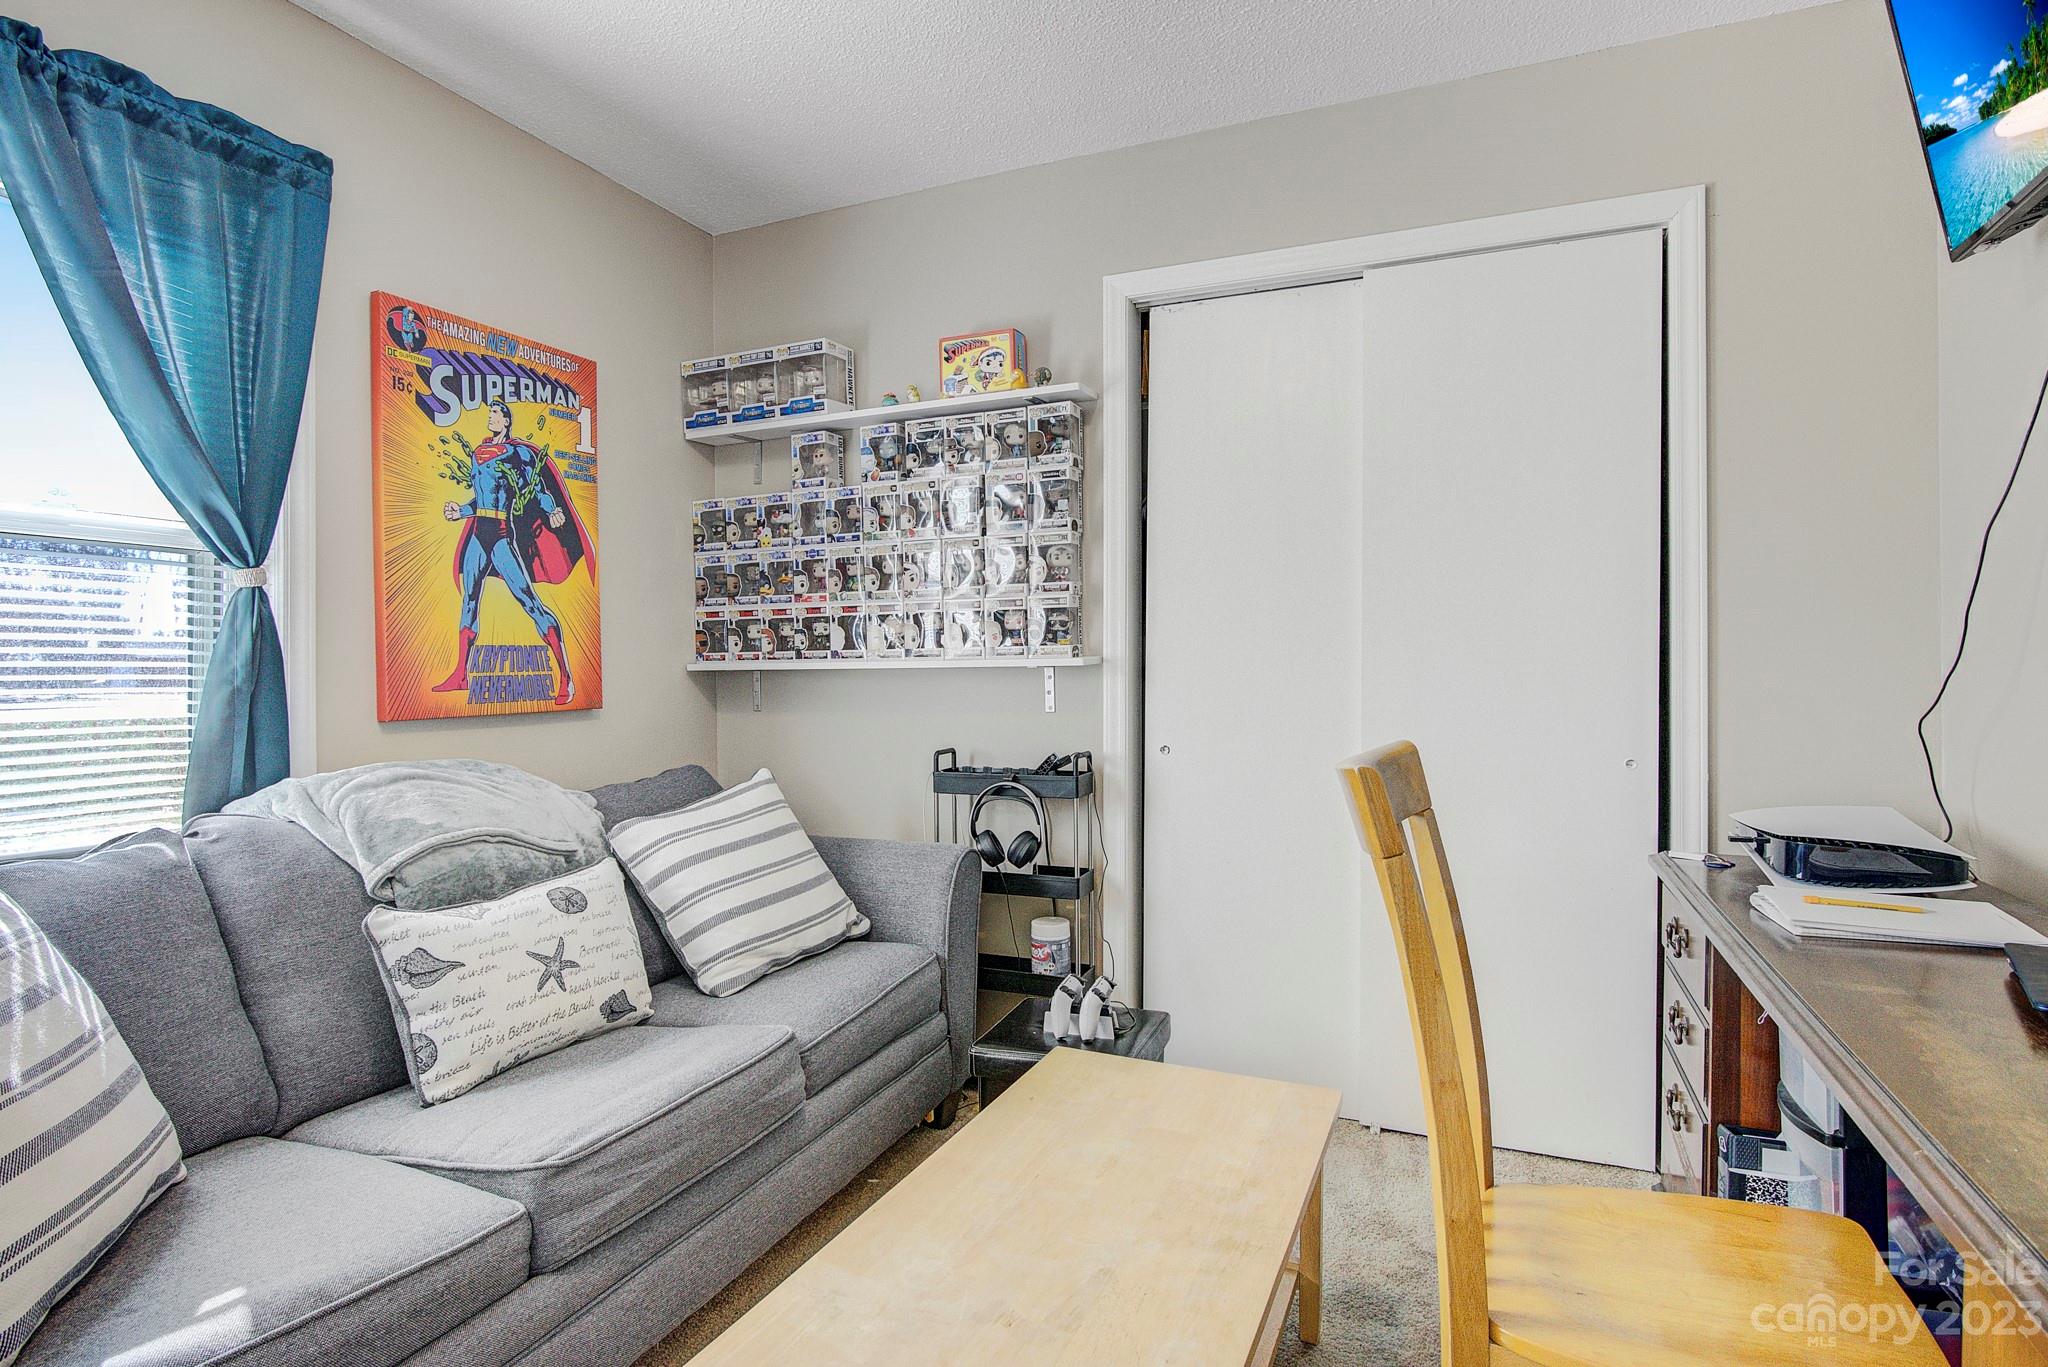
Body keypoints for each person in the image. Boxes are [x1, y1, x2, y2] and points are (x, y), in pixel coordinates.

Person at [431, 397, 588, 704]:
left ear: (505, 420)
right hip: (479, 534)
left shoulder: (517, 452)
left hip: (502, 535)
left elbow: (537, 488)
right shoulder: (478, 453)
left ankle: (566, 678)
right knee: (470, 600)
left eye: (494, 414)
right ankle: (461, 674)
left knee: (530, 602)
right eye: (488, 413)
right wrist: (460, 511)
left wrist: (552, 509)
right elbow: (481, 498)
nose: (490, 418)